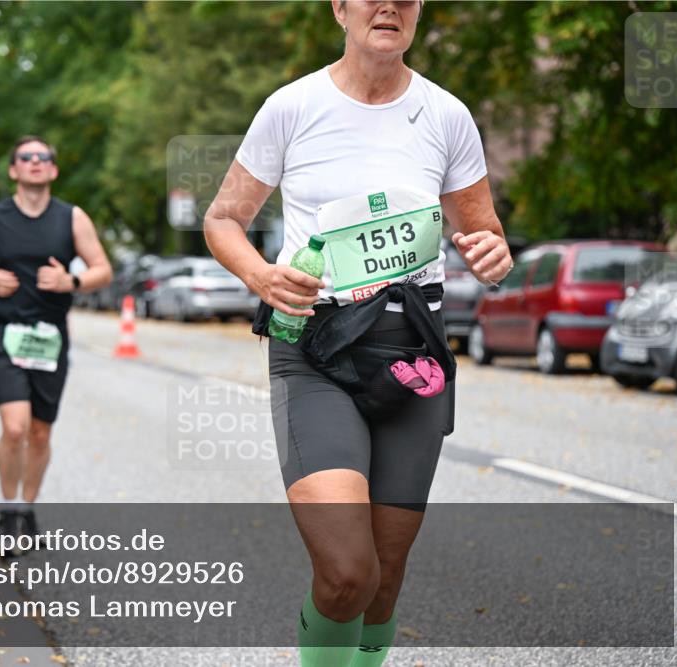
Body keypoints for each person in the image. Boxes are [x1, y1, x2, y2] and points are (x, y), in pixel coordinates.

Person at [203, 2, 513, 665]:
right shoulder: (292, 108)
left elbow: (483, 231)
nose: (390, 6)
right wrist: (261, 275)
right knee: (348, 571)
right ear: (340, 8)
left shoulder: (447, 116)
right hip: (314, 350)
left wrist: (493, 254)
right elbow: (223, 219)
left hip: (413, 355)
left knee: (384, 577)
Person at [0, 135, 112, 543]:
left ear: (53, 170)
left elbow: (102, 269)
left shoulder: (72, 218)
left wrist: (69, 281)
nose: (36, 161)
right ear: (14, 169)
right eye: (27, 157)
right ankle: (9, 511)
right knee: (15, 428)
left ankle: (27, 508)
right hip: (3, 333)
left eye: (44, 157)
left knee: (40, 433)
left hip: (50, 338)